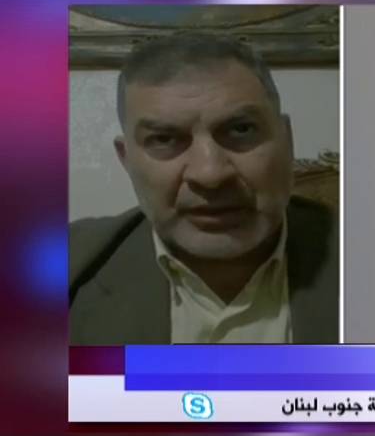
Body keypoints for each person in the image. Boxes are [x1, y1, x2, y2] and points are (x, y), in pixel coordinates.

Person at [69, 33, 338, 344]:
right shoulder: (65, 267)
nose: (210, 174)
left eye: (241, 129)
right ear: (126, 160)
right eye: (164, 139)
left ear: (287, 141)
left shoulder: (372, 260)